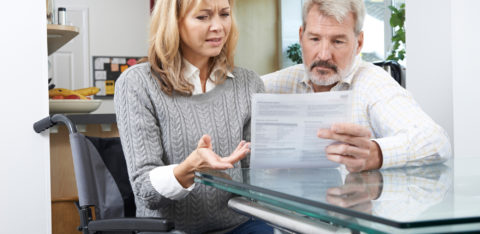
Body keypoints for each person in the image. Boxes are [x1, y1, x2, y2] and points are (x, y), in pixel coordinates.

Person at [114, 0, 270, 233]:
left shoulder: (250, 84)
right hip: (169, 229)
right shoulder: (137, 83)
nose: (218, 26)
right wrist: (189, 169)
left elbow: (256, 179)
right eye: (203, 17)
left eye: (224, 14)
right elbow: (145, 190)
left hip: (240, 226)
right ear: (174, 23)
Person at [262, 0, 451, 172]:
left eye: (337, 41)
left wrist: (376, 152)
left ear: (358, 43)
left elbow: (435, 141)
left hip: (356, 206)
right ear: (301, 36)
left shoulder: (372, 84)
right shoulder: (279, 83)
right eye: (315, 39)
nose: (324, 55)